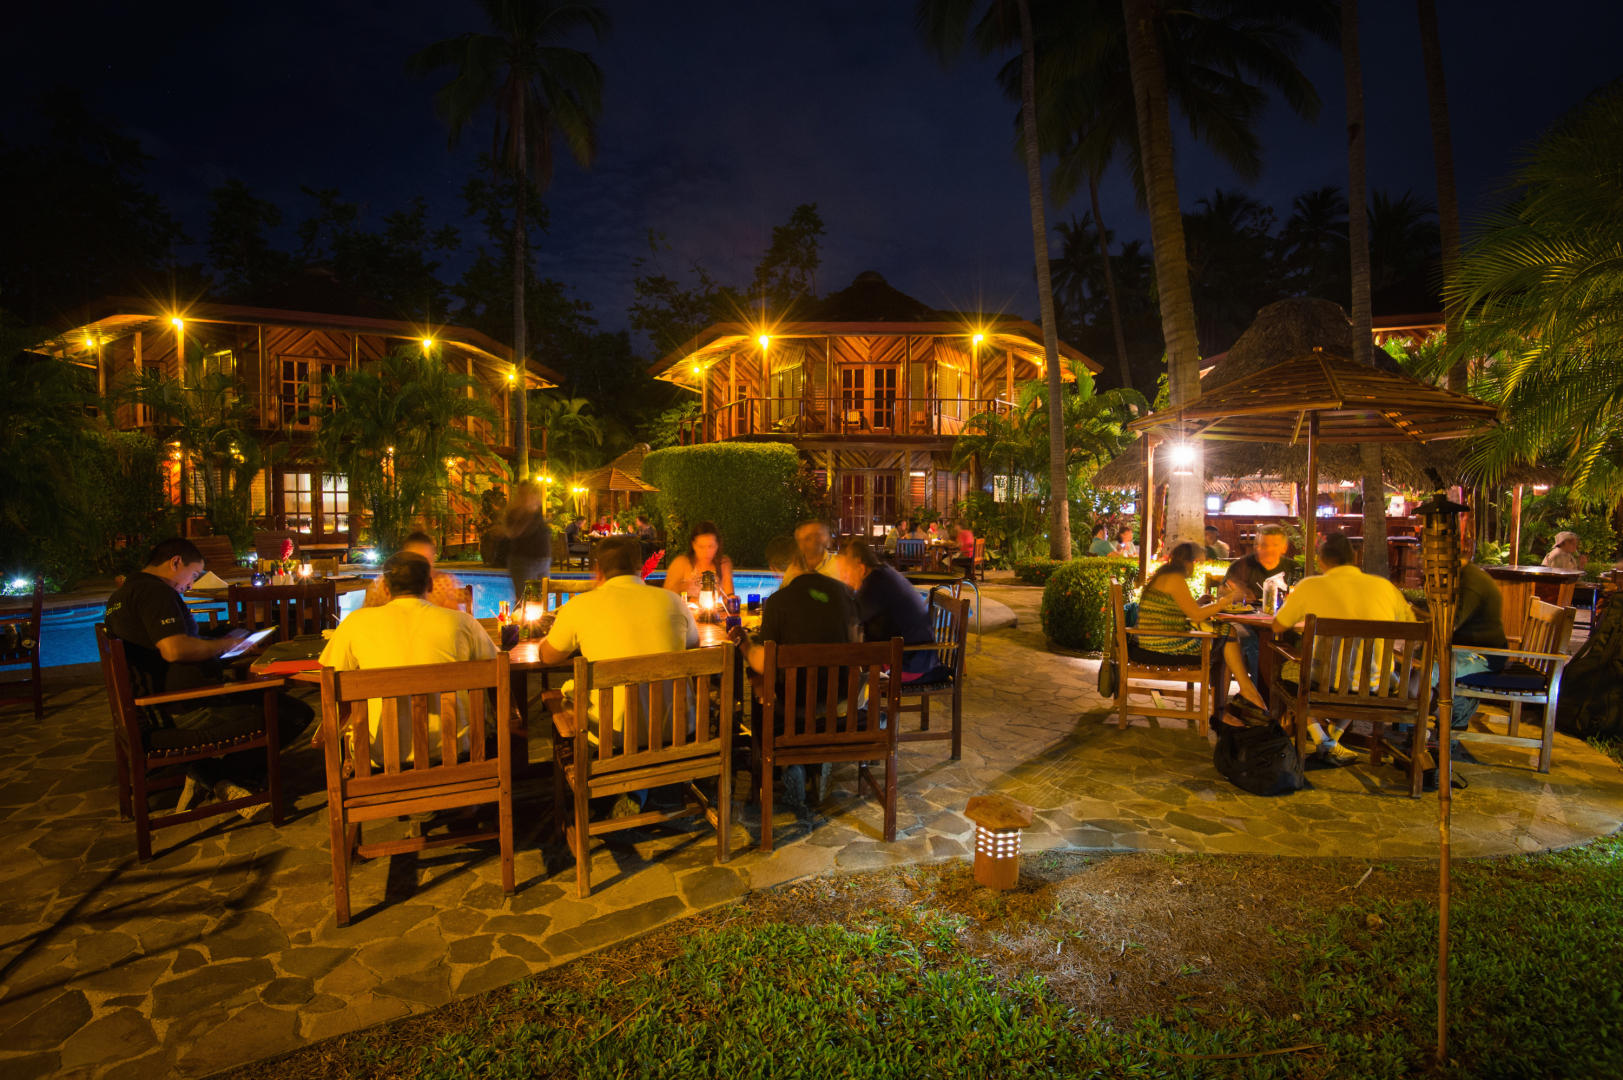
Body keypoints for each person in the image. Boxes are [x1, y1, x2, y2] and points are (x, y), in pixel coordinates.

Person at [104, 538, 314, 819]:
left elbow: (165, 642)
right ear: (175, 562)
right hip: (183, 710)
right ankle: (221, 777)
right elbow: (173, 649)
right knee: (294, 713)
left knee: (268, 699)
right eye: (193, 574)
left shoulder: (123, 595)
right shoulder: (155, 591)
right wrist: (225, 645)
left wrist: (217, 639)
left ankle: (214, 775)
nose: (191, 585)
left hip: (156, 707)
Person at [540, 535, 700, 816]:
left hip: (613, 735)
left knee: (562, 698)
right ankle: (649, 785)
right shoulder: (674, 601)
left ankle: (604, 791)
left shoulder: (581, 606)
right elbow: (694, 644)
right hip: (676, 728)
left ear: (598, 570)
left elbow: (548, 657)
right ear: (639, 567)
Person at [319, 552, 496, 766]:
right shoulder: (463, 623)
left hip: (380, 757)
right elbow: (495, 668)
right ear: (430, 585)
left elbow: (329, 679)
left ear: (385, 588)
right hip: (455, 751)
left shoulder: (354, 624)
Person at [735, 535, 860, 807]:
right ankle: (816, 762)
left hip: (794, 707)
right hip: (841, 702)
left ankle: (786, 763)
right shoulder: (843, 592)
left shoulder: (778, 602)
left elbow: (762, 663)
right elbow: (855, 642)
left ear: (775, 570)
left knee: (761, 692)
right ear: (802, 559)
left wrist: (744, 643)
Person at [1270, 532, 1417, 765]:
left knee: (1292, 669)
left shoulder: (1310, 586)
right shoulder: (1385, 587)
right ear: (1353, 559)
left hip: (1325, 684)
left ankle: (1321, 738)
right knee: (1362, 672)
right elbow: (1411, 627)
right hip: (1377, 685)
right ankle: (1332, 740)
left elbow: (1278, 625)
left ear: (1321, 561)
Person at [1134, 542, 1264, 713]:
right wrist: (1227, 600)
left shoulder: (1166, 575)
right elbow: (1196, 616)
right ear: (1187, 562)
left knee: (1226, 637)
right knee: (1228, 634)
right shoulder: (1175, 579)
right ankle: (1241, 695)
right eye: (1195, 563)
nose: (1195, 568)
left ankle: (1228, 704)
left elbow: (1177, 610)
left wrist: (1199, 602)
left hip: (1154, 637)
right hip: (1162, 641)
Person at [837, 539, 936, 678]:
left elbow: (849, 617)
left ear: (860, 567)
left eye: (845, 571)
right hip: (918, 657)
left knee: (848, 671)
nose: (843, 578)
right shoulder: (883, 572)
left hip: (908, 664)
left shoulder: (874, 583)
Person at [1223, 524, 1302, 684]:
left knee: (1300, 642)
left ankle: (1287, 689)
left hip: (1282, 623)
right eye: (1264, 545)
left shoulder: (1294, 569)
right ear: (1256, 546)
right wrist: (1236, 595)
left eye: (1275, 545)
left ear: (1284, 548)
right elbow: (1223, 593)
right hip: (1244, 622)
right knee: (1252, 642)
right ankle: (1260, 692)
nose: (1269, 550)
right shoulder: (1242, 566)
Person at [362, 531, 465, 610]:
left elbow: (462, 618)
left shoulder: (447, 584)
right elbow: (369, 618)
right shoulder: (384, 584)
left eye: (426, 560)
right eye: (415, 560)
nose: (419, 568)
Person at [504, 481, 552, 600]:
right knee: (525, 600)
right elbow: (512, 533)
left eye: (531, 493)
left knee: (543, 599)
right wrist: (526, 514)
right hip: (524, 562)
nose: (529, 496)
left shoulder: (536, 513)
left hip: (543, 561)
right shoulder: (515, 513)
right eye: (525, 493)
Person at [663, 520, 735, 599]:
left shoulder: (723, 564)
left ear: (717, 545)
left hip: (712, 607)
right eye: (701, 547)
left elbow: (728, 596)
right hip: (684, 607)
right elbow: (667, 597)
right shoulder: (681, 564)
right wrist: (690, 599)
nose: (706, 552)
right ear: (693, 545)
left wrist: (732, 599)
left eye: (711, 546)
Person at [780, 520, 841, 584]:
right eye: (799, 541)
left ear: (820, 539)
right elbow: (784, 589)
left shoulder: (839, 565)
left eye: (807, 539)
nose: (802, 545)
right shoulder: (792, 569)